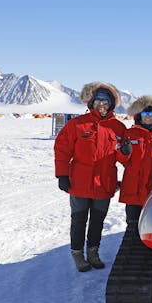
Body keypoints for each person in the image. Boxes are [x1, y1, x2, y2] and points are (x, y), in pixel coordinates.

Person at [54, 82, 126, 272]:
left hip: (104, 183)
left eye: (106, 101)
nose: (102, 104)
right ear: (91, 102)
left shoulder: (118, 128)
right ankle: (78, 254)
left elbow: (124, 157)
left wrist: (127, 152)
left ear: (111, 104)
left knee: (97, 221)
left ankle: (93, 252)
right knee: (78, 220)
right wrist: (62, 174)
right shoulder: (77, 124)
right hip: (79, 182)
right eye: (98, 100)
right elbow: (62, 149)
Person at [117, 95, 152, 228]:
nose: (147, 117)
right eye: (144, 113)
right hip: (133, 187)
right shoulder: (130, 133)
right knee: (132, 223)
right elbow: (121, 159)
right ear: (139, 115)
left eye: (151, 114)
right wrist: (124, 152)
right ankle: (132, 246)